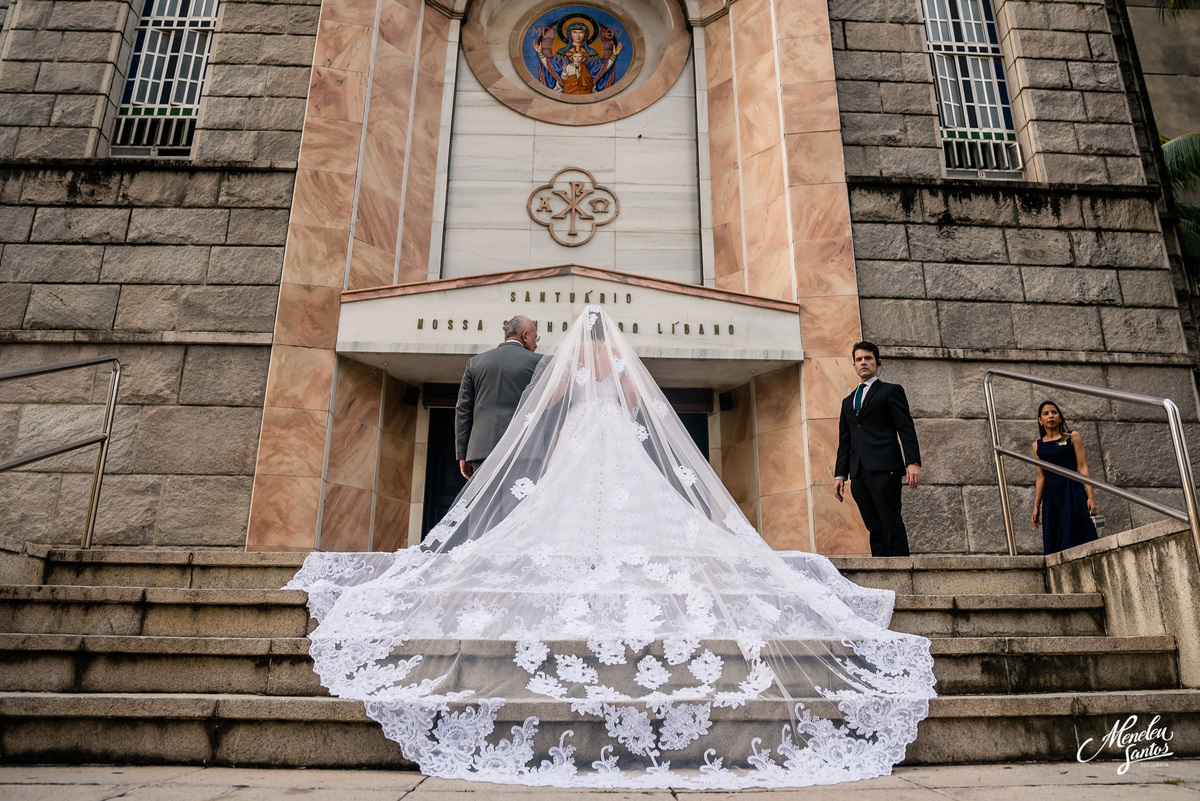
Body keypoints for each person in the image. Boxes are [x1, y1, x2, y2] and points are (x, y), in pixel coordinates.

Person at [287, 308, 935, 790]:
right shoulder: (615, 368)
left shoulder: (559, 366)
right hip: (613, 443)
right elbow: (634, 407)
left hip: (578, 443)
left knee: (557, 510)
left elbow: (556, 407)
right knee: (622, 508)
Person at [833, 341, 922, 557]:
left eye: (868, 358)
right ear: (854, 365)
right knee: (874, 526)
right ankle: (883, 574)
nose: (864, 362)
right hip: (859, 473)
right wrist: (840, 475)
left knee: (890, 520)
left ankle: (901, 571)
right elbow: (845, 441)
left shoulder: (891, 391)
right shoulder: (847, 402)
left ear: (877, 362)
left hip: (885, 467)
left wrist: (913, 462)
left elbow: (905, 427)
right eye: (859, 359)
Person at [455, 315, 541, 481]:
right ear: (525, 336)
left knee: (485, 506)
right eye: (535, 337)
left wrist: (463, 453)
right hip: (524, 450)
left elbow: (463, 410)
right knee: (517, 506)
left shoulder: (475, 363)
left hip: (481, 451)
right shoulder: (540, 362)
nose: (536, 344)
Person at [1032, 400, 1099, 554]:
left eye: (1054, 412)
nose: (1051, 416)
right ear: (1039, 420)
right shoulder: (1037, 446)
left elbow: (1083, 466)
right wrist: (1036, 506)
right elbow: (1040, 477)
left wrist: (1091, 496)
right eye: (1046, 413)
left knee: (1077, 532)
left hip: (1072, 490)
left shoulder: (1072, 437)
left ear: (1060, 417)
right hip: (1052, 495)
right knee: (1056, 537)